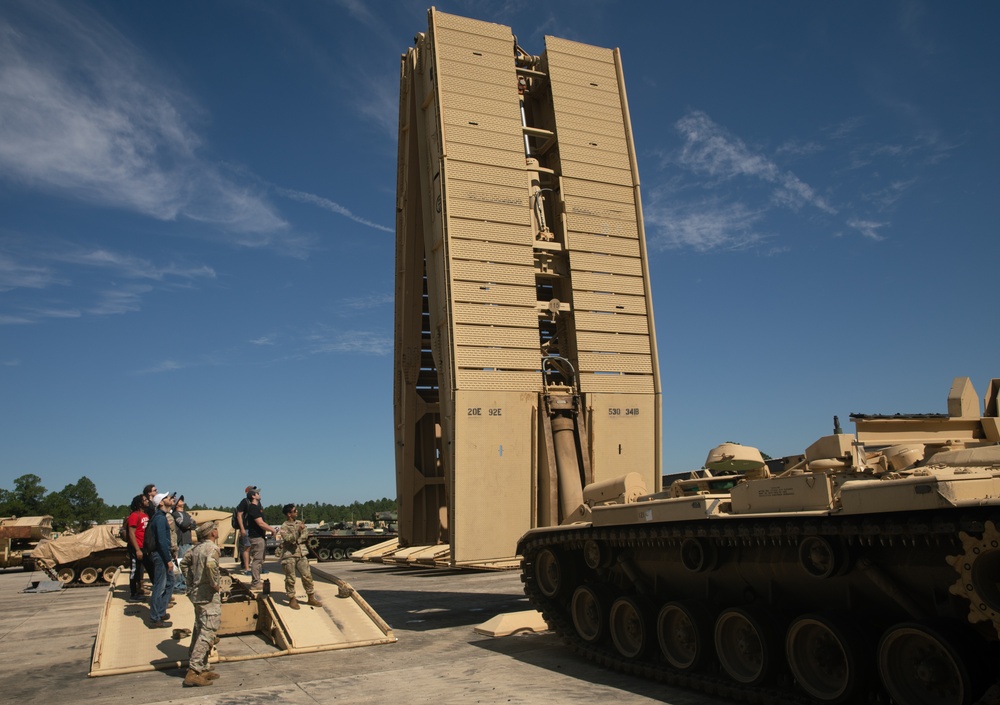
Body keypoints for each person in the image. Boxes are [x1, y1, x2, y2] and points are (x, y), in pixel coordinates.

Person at [180, 521, 222, 687]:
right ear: (212, 533)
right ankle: (194, 670)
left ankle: (203, 667)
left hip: (197, 595)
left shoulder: (195, 549)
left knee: (199, 629)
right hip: (208, 595)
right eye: (215, 529)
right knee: (208, 631)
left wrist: (190, 581)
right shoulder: (212, 548)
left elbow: (183, 563)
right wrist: (214, 583)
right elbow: (211, 565)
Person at [277, 504, 323, 610]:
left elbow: (305, 534)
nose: (296, 512)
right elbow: (289, 539)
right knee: (290, 578)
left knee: (307, 576)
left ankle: (311, 597)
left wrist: (298, 537)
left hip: (301, 554)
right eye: (294, 510)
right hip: (289, 555)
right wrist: (298, 532)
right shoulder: (284, 527)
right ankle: (292, 598)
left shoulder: (299, 523)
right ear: (289, 514)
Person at [147, 492, 176, 627]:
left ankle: (161, 610)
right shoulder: (159, 518)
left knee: (170, 582)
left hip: (163, 555)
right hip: (160, 556)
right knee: (160, 586)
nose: (170, 499)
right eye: (167, 498)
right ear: (161, 503)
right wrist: (167, 560)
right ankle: (155, 617)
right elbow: (161, 541)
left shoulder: (162, 517)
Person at [244, 487, 279, 590]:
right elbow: (260, 523)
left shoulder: (256, 507)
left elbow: (262, 523)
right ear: (253, 496)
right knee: (257, 561)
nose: (259, 494)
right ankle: (255, 583)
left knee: (259, 560)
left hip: (259, 537)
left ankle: (256, 581)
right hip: (257, 538)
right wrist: (272, 530)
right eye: (257, 493)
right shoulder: (253, 508)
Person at [126, 494, 150, 601]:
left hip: (144, 548)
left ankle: (140, 590)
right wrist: (137, 550)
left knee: (144, 570)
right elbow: (131, 533)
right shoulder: (134, 516)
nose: (147, 501)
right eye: (145, 500)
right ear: (139, 503)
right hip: (136, 548)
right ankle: (133, 594)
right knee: (134, 571)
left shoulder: (145, 515)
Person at [172, 495, 195, 593]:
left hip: (188, 541)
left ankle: (185, 583)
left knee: (188, 564)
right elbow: (184, 524)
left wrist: (189, 523)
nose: (182, 501)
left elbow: (193, 524)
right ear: (177, 504)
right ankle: (178, 585)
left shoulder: (185, 513)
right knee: (181, 564)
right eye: (180, 500)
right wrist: (189, 522)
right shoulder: (176, 514)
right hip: (181, 542)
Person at [235, 486, 254, 573]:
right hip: (247, 528)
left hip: (254, 529)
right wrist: (242, 529)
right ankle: (246, 567)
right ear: (247, 492)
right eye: (251, 490)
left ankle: (252, 567)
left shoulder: (256, 502)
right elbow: (239, 515)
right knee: (246, 547)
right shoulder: (244, 501)